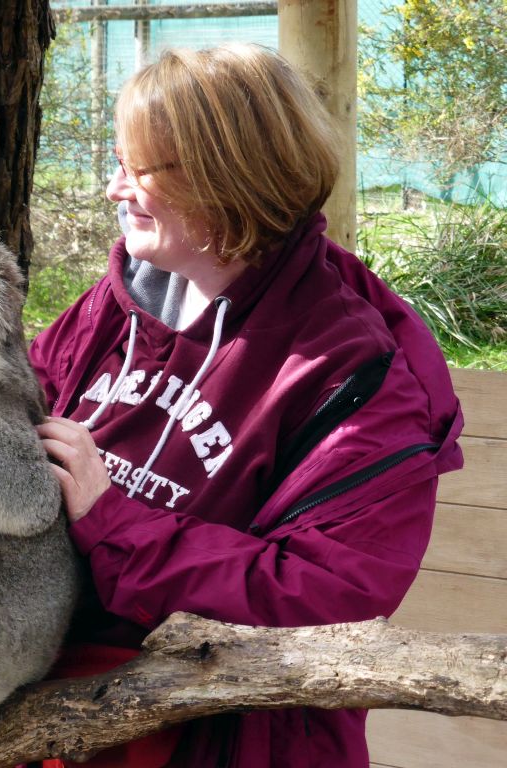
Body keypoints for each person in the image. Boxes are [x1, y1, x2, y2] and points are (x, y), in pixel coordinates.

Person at [29, 43, 464, 768]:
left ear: (227, 180)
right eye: (117, 162)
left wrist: (114, 525)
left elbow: (326, 595)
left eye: (140, 172)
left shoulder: (351, 368)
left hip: (225, 737)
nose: (114, 191)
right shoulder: (112, 305)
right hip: (54, 711)